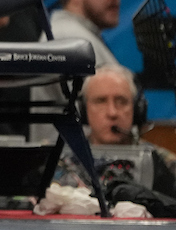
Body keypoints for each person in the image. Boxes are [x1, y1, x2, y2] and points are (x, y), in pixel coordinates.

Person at [52, 65, 176, 199]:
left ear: (137, 109)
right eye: (100, 101)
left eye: (122, 101)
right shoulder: (55, 160)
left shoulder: (162, 164)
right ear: (83, 110)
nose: (112, 112)